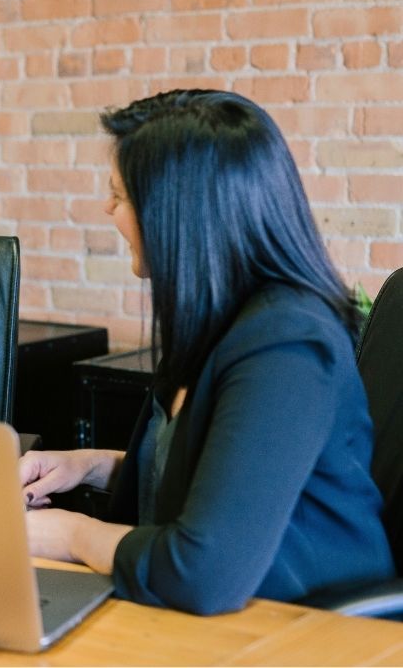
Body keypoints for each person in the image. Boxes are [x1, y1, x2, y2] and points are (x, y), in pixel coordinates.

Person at [20, 89, 394, 615]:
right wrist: (89, 465)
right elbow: (215, 477)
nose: (107, 209)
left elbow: (201, 572)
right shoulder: (217, 320)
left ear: (178, 214)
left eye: (119, 196)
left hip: (309, 626)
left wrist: (71, 535)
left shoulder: (287, 345)